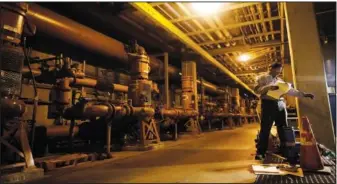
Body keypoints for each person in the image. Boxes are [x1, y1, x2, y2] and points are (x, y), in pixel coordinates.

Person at [254, 62, 314, 160]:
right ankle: (260, 152)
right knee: (265, 128)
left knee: (283, 127)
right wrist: (268, 87)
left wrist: (304, 94)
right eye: (278, 69)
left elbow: (290, 91)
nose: (279, 71)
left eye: (280, 69)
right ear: (271, 68)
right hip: (268, 104)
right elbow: (256, 90)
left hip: (281, 104)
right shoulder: (263, 78)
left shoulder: (280, 80)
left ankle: (285, 151)